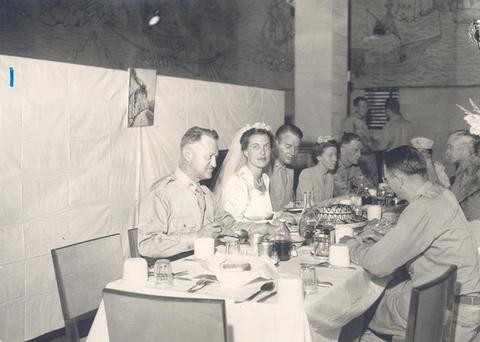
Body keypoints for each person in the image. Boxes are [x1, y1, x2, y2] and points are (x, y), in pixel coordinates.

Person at [340, 146, 480, 342]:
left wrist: (349, 244)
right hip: (462, 300)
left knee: (356, 309)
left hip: (451, 312)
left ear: (399, 179)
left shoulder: (422, 207)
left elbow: (377, 264)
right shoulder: (442, 193)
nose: (387, 184)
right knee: (384, 294)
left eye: (387, 179)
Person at [137, 126, 267, 258]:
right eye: (209, 157)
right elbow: (147, 245)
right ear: (188, 154)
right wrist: (197, 237)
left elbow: (231, 225)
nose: (214, 164)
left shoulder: (206, 194)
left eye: (215, 158)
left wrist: (265, 228)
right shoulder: (161, 193)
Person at [214, 124, 274, 222]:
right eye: (256, 147)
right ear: (245, 151)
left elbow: (263, 216)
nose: (263, 152)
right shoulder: (237, 182)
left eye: (267, 147)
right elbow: (232, 225)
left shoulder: (265, 179)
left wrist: (279, 217)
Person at [341, 96, 378, 185]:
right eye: (362, 107)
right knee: (363, 183)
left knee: (372, 183)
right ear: (356, 108)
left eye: (366, 106)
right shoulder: (350, 120)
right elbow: (348, 140)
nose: (365, 109)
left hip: (370, 156)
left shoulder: (363, 121)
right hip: (361, 157)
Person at [446, 130, 480, 221]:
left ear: (465, 149)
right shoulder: (466, 167)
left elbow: (451, 199)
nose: (447, 152)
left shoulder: (472, 170)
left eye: (450, 147)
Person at [269, 123, 303, 211]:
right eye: (288, 147)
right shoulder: (267, 170)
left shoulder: (289, 170)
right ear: (276, 143)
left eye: (296, 148)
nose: (293, 153)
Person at [296, 136, 337, 205]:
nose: (335, 159)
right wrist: (337, 200)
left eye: (336, 155)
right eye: (330, 155)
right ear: (318, 157)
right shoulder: (307, 174)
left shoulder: (330, 176)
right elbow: (308, 206)